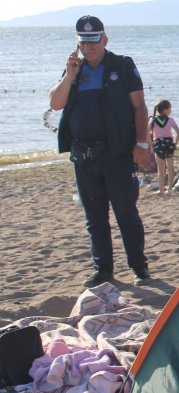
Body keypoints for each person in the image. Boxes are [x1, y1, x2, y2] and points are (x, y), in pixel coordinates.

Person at [48, 16, 151, 287]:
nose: (88, 48)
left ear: (104, 40)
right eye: (83, 43)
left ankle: (139, 267)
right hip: (84, 156)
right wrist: (69, 76)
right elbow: (55, 103)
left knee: (126, 212)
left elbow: (139, 106)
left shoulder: (122, 65)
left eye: (93, 42)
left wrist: (142, 144)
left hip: (117, 153)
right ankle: (103, 269)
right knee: (94, 217)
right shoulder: (74, 69)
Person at [148, 99, 179, 195]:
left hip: (158, 144)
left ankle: (161, 190)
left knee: (160, 170)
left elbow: (146, 133)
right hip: (169, 144)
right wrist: (175, 143)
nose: (171, 111)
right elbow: (178, 133)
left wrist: (151, 144)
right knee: (170, 168)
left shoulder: (152, 120)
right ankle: (170, 189)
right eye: (170, 109)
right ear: (165, 110)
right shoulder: (170, 120)